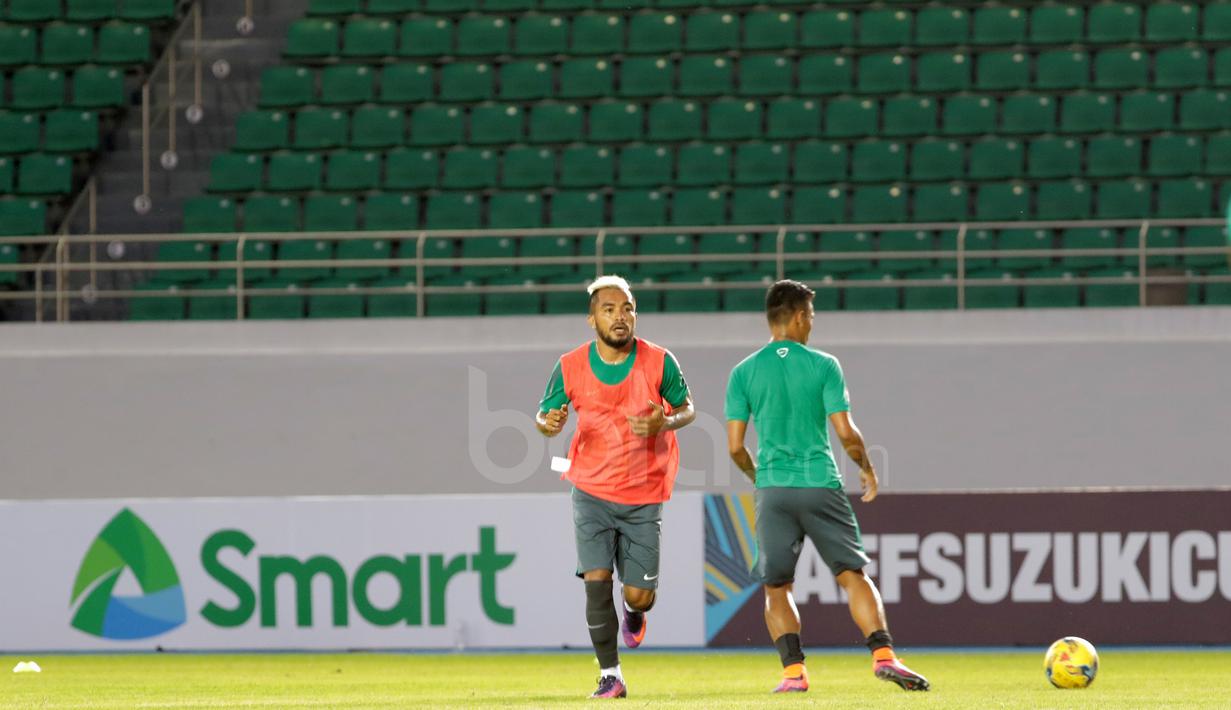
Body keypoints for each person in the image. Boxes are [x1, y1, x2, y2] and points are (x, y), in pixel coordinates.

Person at [724, 279, 930, 694]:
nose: (812, 325)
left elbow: (734, 447)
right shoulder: (824, 365)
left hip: (774, 490)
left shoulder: (743, 372)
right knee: (853, 576)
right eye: (811, 317)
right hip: (821, 483)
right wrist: (867, 467)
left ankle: (793, 673)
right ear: (799, 316)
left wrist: (760, 479)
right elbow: (846, 432)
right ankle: (884, 656)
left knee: (776, 586)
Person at [535, 274, 696, 700]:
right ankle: (611, 674)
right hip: (590, 490)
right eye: (609, 310)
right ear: (592, 319)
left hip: (644, 494)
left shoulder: (660, 361)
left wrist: (667, 419)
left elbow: (687, 409)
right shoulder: (569, 365)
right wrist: (546, 422)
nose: (620, 317)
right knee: (596, 577)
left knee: (640, 595)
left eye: (627, 309)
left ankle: (634, 612)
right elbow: (545, 414)